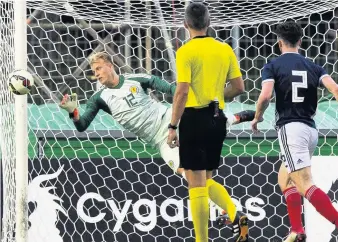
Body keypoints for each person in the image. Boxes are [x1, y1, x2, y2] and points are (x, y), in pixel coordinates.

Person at [59, 51, 255, 183]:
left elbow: (169, 88)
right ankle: (224, 212)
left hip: (170, 119)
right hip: (159, 140)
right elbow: (82, 125)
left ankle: (232, 118)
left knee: (203, 123)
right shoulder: (98, 98)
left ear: (110, 66)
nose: (97, 74)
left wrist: (188, 96)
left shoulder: (136, 79)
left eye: (99, 69)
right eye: (94, 72)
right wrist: (72, 111)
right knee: (189, 175)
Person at [167, 3, 248, 242]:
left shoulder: (186, 51)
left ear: (185, 25)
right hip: (217, 119)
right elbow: (239, 87)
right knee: (207, 180)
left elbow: (182, 92)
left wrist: (172, 126)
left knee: (196, 185)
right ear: (209, 23)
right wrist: (219, 95)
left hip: (194, 117)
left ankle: (202, 239)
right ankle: (236, 214)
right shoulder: (224, 49)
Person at [251, 21, 338, 242]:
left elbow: (265, 95)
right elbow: (335, 88)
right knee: (285, 178)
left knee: (305, 183)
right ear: (300, 41)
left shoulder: (272, 66)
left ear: (279, 43)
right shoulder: (314, 66)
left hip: (291, 129)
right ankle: (297, 231)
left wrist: (257, 116)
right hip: (310, 130)